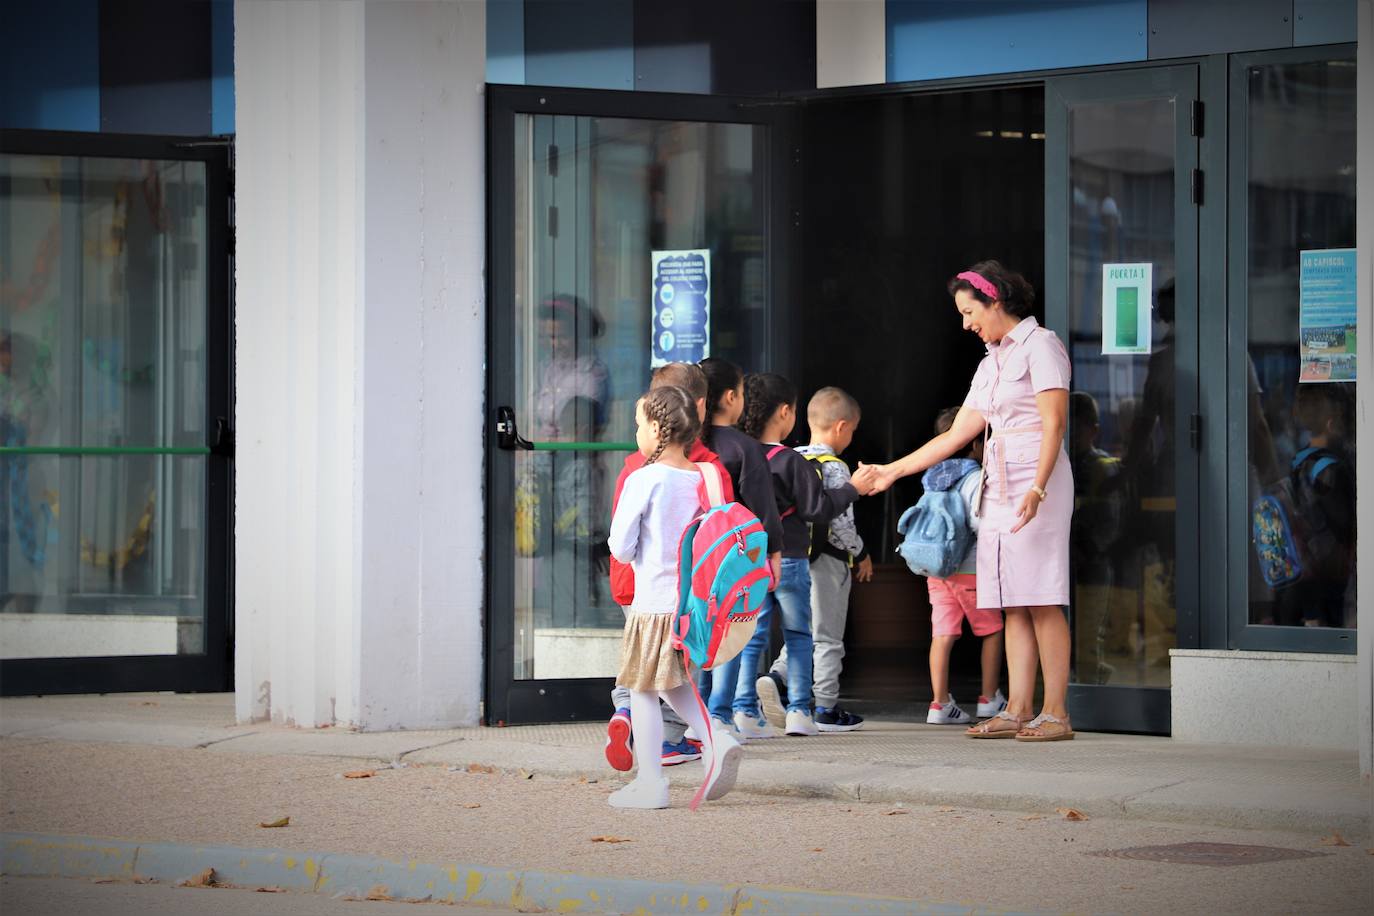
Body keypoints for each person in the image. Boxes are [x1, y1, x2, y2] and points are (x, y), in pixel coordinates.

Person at [863, 260, 1076, 742]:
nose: (966, 324)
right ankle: (1019, 708)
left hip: (1035, 484)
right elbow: (959, 434)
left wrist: (1039, 488)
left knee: (1041, 597)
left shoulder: (1041, 346)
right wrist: (892, 470)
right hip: (999, 486)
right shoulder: (991, 362)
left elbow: (1054, 422)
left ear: (994, 301)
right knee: (1013, 603)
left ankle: (1056, 713)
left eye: (969, 311)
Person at [605, 386, 742, 809]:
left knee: (642, 689)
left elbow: (621, 547)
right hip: (691, 605)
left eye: (639, 424)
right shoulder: (703, 476)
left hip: (652, 604)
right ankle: (714, 737)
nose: (636, 432)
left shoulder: (643, 479)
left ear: (659, 428)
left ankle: (652, 783)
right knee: (670, 683)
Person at [735, 373, 873, 737]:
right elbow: (828, 516)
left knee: (766, 634)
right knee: (811, 635)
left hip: (759, 561)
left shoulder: (759, 456)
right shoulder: (812, 464)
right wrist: (854, 496)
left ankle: (757, 697)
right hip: (806, 561)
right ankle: (811, 708)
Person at [691, 357, 783, 738]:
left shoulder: (687, 444)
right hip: (736, 556)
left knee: (696, 628)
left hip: (695, 556)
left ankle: (694, 713)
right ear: (730, 397)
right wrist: (773, 555)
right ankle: (721, 712)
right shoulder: (745, 447)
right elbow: (764, 509)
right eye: (742, 392)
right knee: (732, 628)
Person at [921, 407, 1007, 726]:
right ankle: (988, 699)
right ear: (973, 443)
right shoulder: (974, 476)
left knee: (942, 635)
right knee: (993, 631)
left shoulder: (932, 476)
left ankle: (939, 703)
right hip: (971, 569)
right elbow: (978, 521)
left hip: (937, 569)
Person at [1274, 384, 1355, 628]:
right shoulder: (1332, 468)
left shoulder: (1299, 460)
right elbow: (1344, 521)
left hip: (1305, 568)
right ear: (1333, 422)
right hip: (1331, 572)